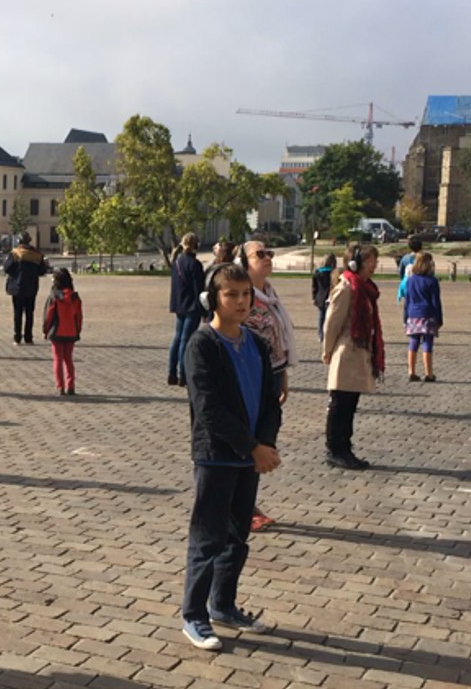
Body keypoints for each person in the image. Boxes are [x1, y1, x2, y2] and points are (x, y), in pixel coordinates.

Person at [181, 262, 282, 652]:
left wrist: (265, 445)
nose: (240, 302)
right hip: (218, 457)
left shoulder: (255, 342)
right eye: (231, 295)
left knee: (237, 539)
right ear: (213, 299)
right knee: (208, 539)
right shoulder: (202, 344)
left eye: (245, 294)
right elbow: (209, 408)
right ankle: (194, 616)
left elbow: (271, 401)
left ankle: (223, 604)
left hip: (250, 458)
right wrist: (250, 446)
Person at [239, 240, 296, 532]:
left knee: (264, 438)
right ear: (245, 261)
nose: (267, 258)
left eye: (269, 253)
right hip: (251, 378)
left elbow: (277, 338)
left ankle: (248, 502)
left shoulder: (269, 294)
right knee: (251, 443)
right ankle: (243, 507)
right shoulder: (241, 296)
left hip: (271, 374)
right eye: (259, 254)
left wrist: (283, 372)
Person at [322, 242, 384, 470]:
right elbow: (332, 323)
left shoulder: (365, 287)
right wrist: (327, 351)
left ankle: (345, 448)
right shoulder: (347, 286)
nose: (374, 265)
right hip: (346, 353)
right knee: (340, 404)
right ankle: (334, 449)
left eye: (375, 261)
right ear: (355, 262)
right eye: (370, 261)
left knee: (350, 405)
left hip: (359, 354)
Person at [168, 233, 206, 387]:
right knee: (186, 339)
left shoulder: (177, 262)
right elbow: (199, 290)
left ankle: (171, 373)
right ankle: (183, 375)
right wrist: (204, 311)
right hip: (192, 306)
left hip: (179, 305)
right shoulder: (195, 264)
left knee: (177, 338)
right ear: (196, 245)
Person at [404, 252, 443, 382]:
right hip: (428, 314)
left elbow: (407, 300)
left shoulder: (410, 280)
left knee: (413, 341)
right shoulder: (432, 281)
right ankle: (429, 373)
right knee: (427, 342)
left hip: (413, 313)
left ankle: (411, 371)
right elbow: (435, 302)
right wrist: (439, 318)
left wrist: (405, 316)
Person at [4, 231, 49, 345]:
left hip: (16, 288)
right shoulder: (37, 255)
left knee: (17, 314)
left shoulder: (14, 254)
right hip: (31, 288)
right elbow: (42, 270)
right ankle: (28, 337)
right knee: (29, 314)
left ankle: (17, 337)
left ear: (19, 241)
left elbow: (7, 268)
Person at [43, 268, 83, 396]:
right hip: (71, 331)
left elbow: (48, 315)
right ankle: (71, 385)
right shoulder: (75, 297)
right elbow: (79, 316)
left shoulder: (54, 297)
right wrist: (78, 330)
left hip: (56, 331)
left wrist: (46, 330)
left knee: (58, 359)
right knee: (69, 360)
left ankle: (60, 386)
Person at [312, 254, 337, 342]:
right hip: (329, 297)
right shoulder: (333, 273)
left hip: (319, 297)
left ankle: (320, 335)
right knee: (329, 317)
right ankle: (328, 335)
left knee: (321, 317)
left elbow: (314, 287)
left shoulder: (317, 272)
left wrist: (314, 297)